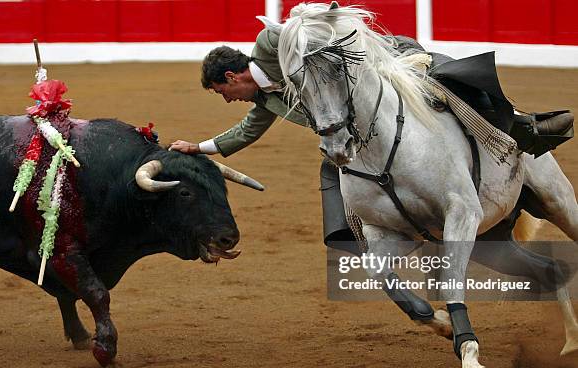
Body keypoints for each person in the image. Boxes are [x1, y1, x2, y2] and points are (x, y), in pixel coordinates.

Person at [170, 26, 574, 246]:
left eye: (223, 93)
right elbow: (244, 134)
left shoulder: (270, 46)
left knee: (448, 83)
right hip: (357, 126)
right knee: (337, 169)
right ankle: (353, 229)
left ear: (231, 76)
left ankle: (520, 127)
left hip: (388, 63)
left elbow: (301, 29)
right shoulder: (265, 102)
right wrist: (198, 147)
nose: (228, 101)